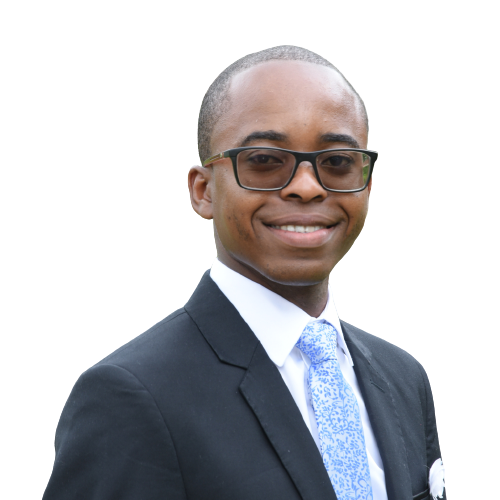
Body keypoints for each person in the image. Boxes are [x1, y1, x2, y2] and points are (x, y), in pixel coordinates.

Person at [42, 45, 445, 500]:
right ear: (203, 191)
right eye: (264, 160)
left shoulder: (403, 377)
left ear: (367, 185)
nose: (307, 187)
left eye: (337, 162)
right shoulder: (129, 396)